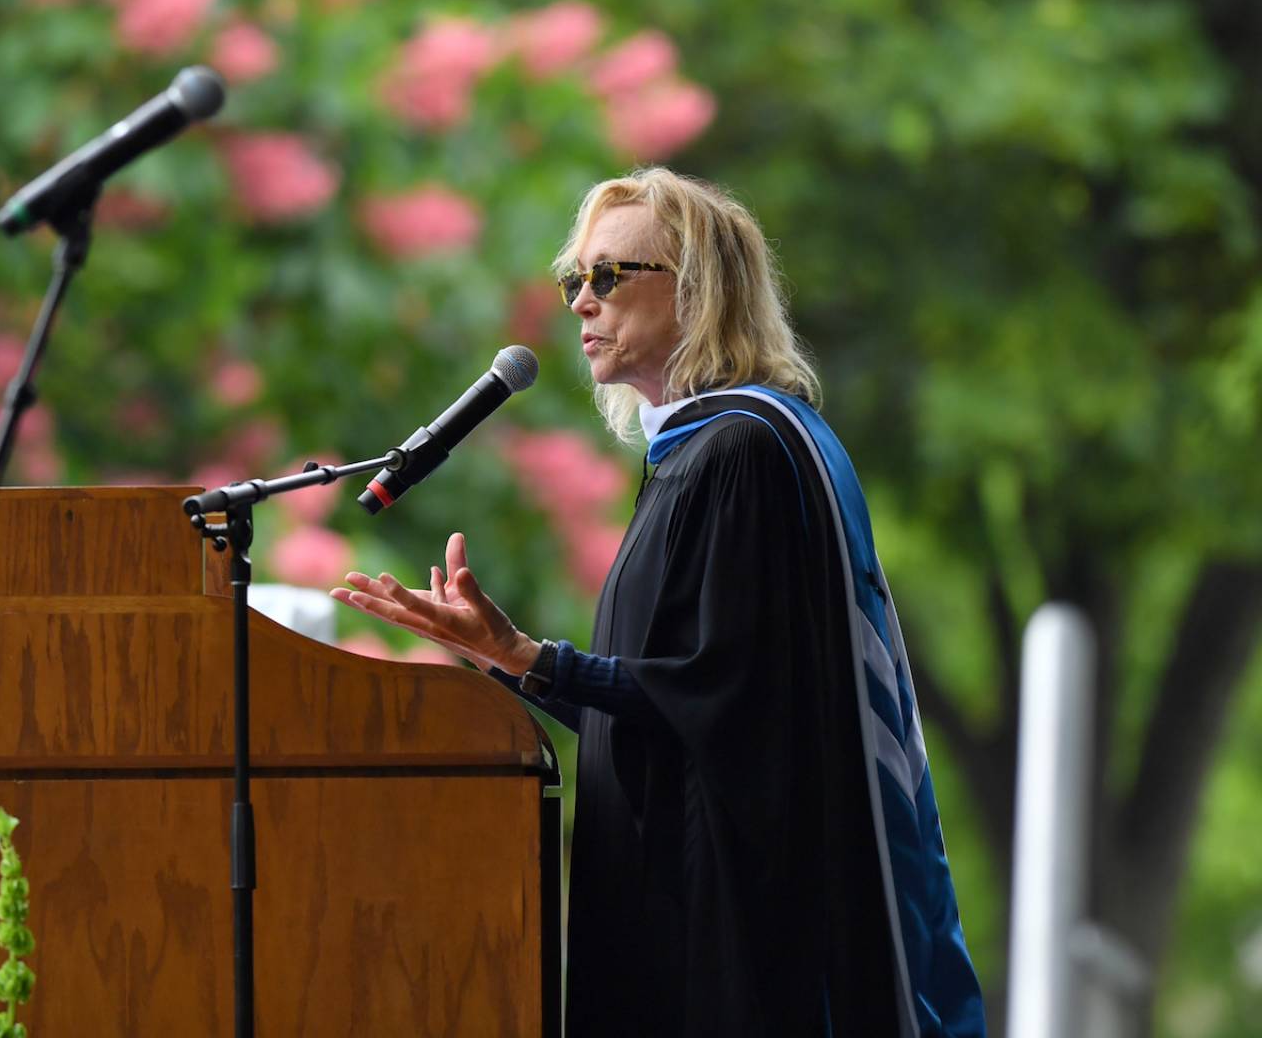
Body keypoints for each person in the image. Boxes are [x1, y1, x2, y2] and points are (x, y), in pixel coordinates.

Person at [331, 168, 986, 1037]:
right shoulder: (698, 453)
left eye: (609, 276)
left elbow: (726, 700)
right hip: (678, 907)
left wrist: (543, 662)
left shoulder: (742, 454)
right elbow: (668, 710)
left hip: (731, 944)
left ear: (698, 292)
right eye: (575, 279)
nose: (580, 304)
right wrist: (517, 659)